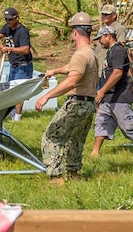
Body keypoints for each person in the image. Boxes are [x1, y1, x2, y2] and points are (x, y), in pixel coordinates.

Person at [33, 12, 99, 183]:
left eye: (72, 32)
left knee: (51, 137)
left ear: (75, 32)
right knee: (75, 140)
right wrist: (55, 70)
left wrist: (46, 96)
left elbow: (72, 81)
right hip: (89, 104)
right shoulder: (91, 53)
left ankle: (56, 177)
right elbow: (74, 67)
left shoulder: (80, 54)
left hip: (76, 104)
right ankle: (73, 174)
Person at [90, 26, 133, 159]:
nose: (99, 42)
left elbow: (117, 73)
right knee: (101, 122)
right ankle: (95, 152)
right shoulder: (110, 51)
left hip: (120, 96)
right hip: (108, 97)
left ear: (108, 35)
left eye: (100, 39)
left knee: (127, 127)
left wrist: (102, 91)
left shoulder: (118, 50)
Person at [0, 7, 33, 121]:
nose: (7, 22)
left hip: (23, 65)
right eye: (6, 19)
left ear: (17, 18)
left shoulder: (22, 31)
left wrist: (9, 49)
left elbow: (25, 50)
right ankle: (12, 114)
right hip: (13, 65)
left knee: (19, 91)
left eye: (10, 20)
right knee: (12, 90)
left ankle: (18, 118)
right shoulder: (7, 28)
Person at [94, 3, 127, 68]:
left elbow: (121, 45)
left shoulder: (118, 28)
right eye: (103, 14)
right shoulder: (104, 27)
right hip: (99, 63)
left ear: (114, 15)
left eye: (106, 14)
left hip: (108, 65)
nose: (104, 16)